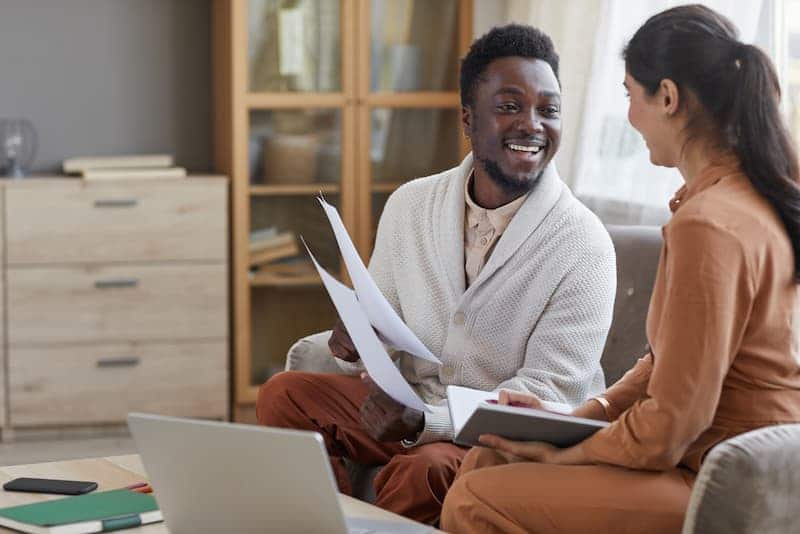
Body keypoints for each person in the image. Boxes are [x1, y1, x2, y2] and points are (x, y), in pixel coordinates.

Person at [440, 5, 800, 534]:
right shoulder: (746, 196)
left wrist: (570, 455)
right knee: (487, 461)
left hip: (721, 480)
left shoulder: (710, 224)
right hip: (713, 460)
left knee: (475, 495)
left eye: (631, 94)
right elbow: (667, 365)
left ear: (669, 98)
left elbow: (673, 424)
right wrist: (573, 420)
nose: (629, 115)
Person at [257, 24, 617, 524]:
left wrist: (430, 423)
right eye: (510, 106)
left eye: (548, 109)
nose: (532, 124)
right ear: (469, 119)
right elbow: (386, 322)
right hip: (411, 411)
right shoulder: (411, 204)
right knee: (283, 394)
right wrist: (359, 342)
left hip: (499, 440)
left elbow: (548, 396)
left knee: (421, 469)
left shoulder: (584, 243)